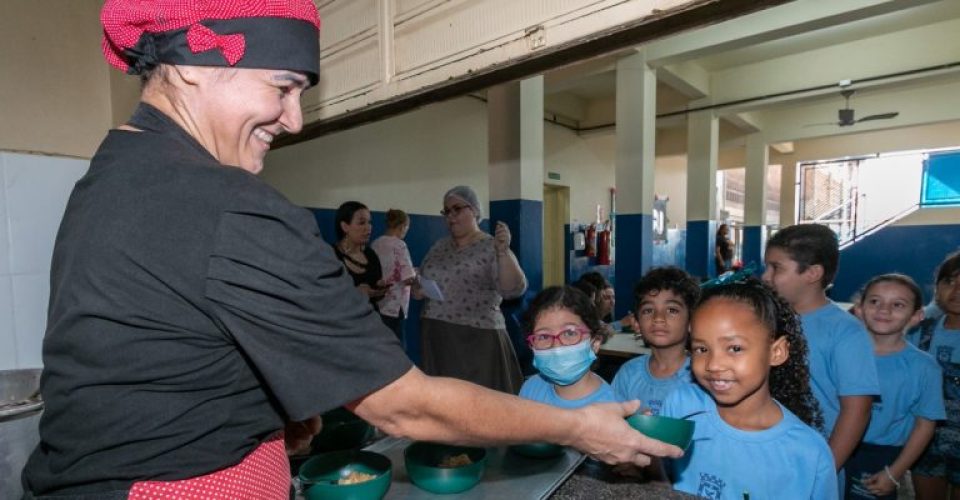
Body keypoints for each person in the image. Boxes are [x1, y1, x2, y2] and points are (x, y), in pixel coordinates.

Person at [21, 2, 682, 497]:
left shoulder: (116, 172)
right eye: (282, 86)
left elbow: (163, 342)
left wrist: (271, 409)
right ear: (197, 64)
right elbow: (404, 404)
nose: (295, 120)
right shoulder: (226, 204)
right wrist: (577, 427)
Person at [662, 279, 836, 499]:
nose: (713, 365)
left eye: (734, 348)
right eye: (701, 348)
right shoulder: (681, 406)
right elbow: (658, 475)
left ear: (777, 352)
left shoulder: (808, 453)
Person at [763, 223, 880, 474]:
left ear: (813, 273)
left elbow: (857, 410)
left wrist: (824, 470)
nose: (765, 276)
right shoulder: (764, 319)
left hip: (809, 461)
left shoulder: (846, 331)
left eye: (776, 268)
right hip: (764, 453)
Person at [416, 185, 526, 394]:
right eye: (446, 211)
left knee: (479, 405)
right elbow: (422, 276)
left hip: (476, 340)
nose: (451, 216)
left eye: (457, 208)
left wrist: (503, 253)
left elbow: (513, 289)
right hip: (437, 336)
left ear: (474, 210)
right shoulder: (440, 246)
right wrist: (418, 288)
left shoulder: (491, 246)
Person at [846, 274, 944, 500]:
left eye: (897, 305)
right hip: (833, 441)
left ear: (917, 316)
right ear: (859, 309)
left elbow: (924, 426)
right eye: (875, 301)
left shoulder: (925, 368)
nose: (884, 310)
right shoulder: (842, 354)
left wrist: (895, 473)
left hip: (879, 454)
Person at [908, 250, 960, 499]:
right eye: (949, 282)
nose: (957, 290)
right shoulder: (919, 331)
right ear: (937, 288)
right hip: (926, 441)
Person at [611, 267, 699, 415]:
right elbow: (612, 421)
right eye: (648, 310)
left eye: (672, 310)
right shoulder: (628, 374)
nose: (658, 318)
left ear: (691, 322)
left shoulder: (701, 375)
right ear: (637, 323)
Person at [518, 286, 617, 409]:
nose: (556, 347)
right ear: (532, 345)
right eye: (543, 336)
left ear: (594, 343)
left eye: (570, 333)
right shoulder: (530, 389)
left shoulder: (610, 407)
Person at [371, 209, 416, 341]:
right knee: (397, 346)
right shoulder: (399, 245)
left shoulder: (375, 243)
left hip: (378, 302)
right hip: (395, 305)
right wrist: (416, 275)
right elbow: (408, 278)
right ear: (403, 226)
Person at [333, 201, 387, 307]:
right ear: (345, 226)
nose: (368, 227)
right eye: (362, 223)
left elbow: (376, 297)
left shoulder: (371, 255)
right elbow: (324, 296)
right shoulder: (330, 256)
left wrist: (379, 291)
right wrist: (354, 293)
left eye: (369, 222)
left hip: (369, 320)